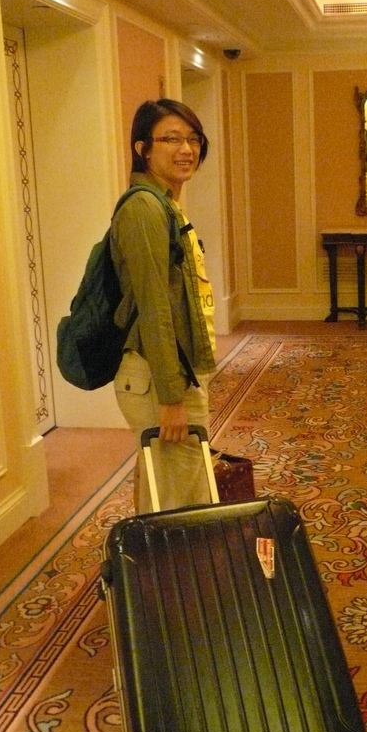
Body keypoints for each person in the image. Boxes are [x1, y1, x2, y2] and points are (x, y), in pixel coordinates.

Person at [110, 98, 217, 513]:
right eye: (171, 139)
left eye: (193, 139)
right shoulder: (144, 208)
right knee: (182, 503)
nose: (186, 149)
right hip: (158, 377)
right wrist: (171, 398)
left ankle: (146, 555)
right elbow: (155, 306)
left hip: (170, 370)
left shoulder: (164, 203)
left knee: (165, 490)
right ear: (143, 149)